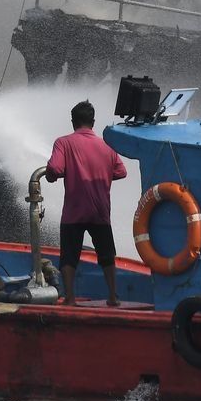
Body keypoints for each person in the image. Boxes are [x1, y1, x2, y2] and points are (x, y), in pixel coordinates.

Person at [45, 100, 127, 306]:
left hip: (74, 212)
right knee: (107, 255)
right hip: (100, 211)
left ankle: (70, 299)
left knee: (69, 256)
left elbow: (55, 169)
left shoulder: (63, 142)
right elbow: (121, 172)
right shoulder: (107, 146)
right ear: (93, 122)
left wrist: (51, 175)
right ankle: (112, 297)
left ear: (73, 121)